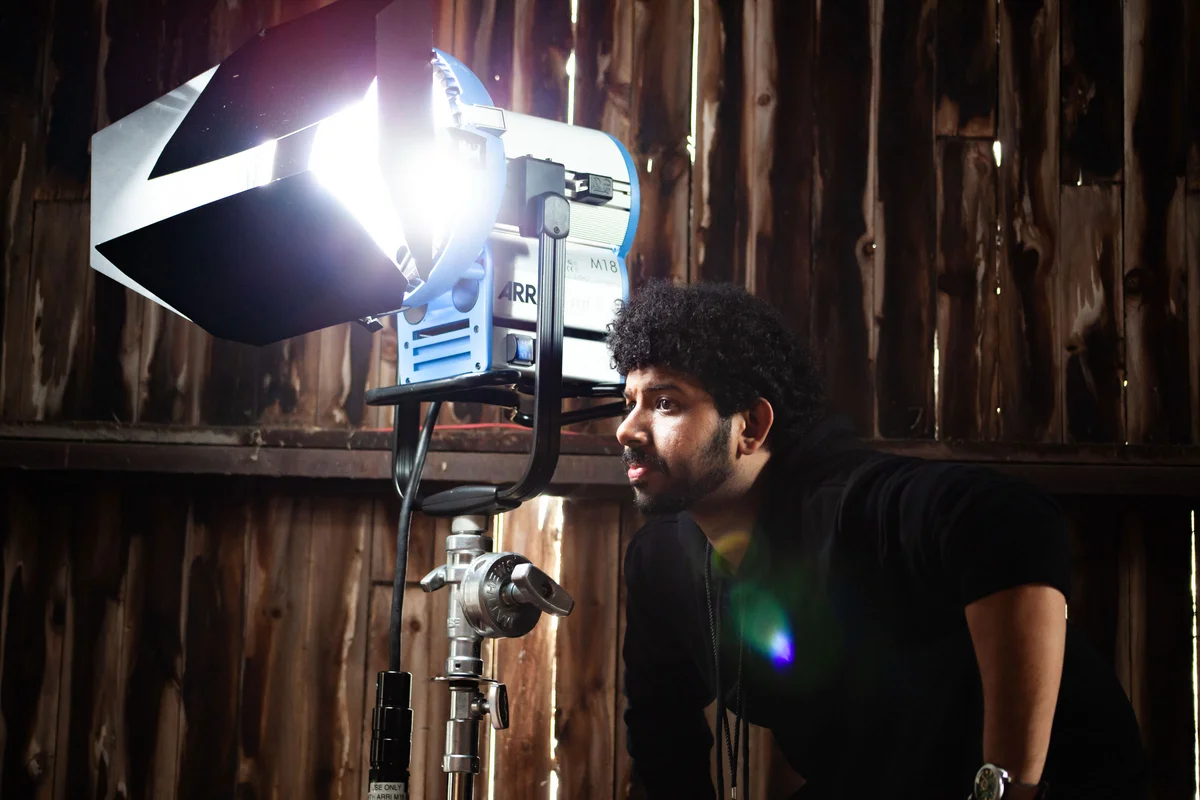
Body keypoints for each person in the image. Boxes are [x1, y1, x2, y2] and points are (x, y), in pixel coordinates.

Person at [607, 281, 1147, 799]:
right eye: (628, 401)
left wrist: (1008, 790)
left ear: (749, 427)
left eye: (665, 403)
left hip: (1059, 781)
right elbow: (662, 736)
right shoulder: (661, 563)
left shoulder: (855, 503)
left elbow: (1014, 523)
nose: (627, 430)